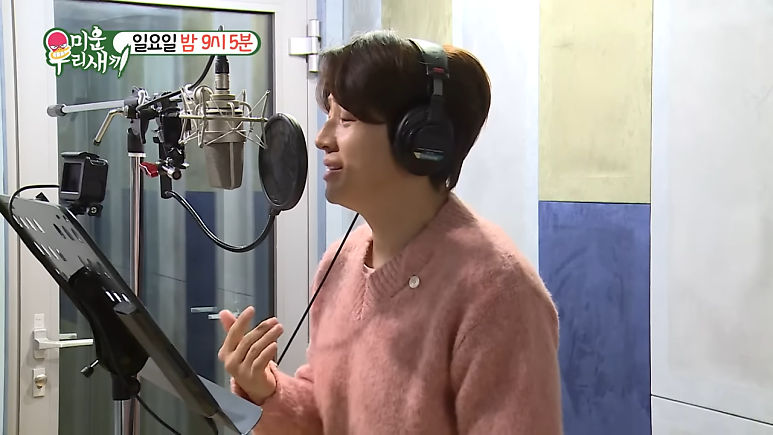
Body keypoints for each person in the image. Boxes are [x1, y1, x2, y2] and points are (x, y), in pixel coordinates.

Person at [217, 29, 563, 435]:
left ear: (420, 139)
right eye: (328, 117)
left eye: (346, 119)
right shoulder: (340, 263)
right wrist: (266, 390)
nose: (322, 139)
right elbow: (326, 411)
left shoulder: (497, 293)